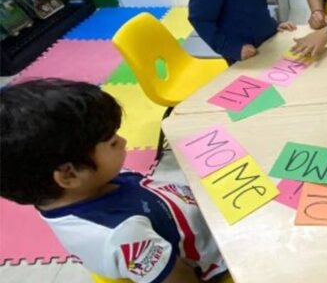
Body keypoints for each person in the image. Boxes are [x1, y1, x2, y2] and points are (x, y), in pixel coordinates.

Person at [0, 79, 228, 283]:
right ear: (69, 175)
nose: (124, 141)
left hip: (202, 213)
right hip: (221, 256)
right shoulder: (122, 235)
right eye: (112, 142)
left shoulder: (89, 183)